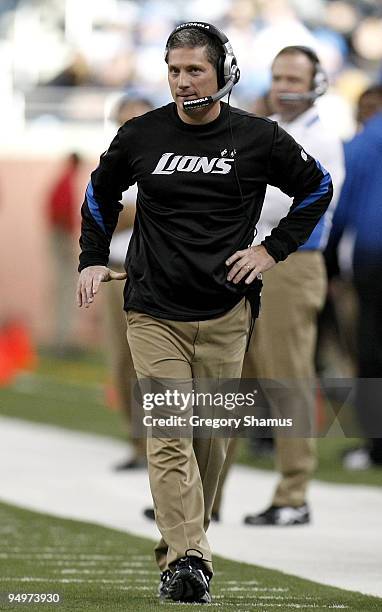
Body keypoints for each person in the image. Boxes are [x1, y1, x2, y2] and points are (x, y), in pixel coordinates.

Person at [76, 23, 333, 604]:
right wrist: (92, 258)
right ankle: (189, 558)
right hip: (152, 310)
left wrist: (271, 250)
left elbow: (318, 187)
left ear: (224, 73)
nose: (183, 81)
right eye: (174, 70)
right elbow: (99, 193)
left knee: (209, 441)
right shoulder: (141, 134)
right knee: (169, 433)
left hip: (225, 312)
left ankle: (182, 549)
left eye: (195, 70)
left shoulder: (259, 137)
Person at [212, 46, 345, 526]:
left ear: (316, 80)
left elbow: (307, 206)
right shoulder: (268, 129)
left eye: (294, 76)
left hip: (291, 262)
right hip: (249, 260)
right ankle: (207, 499)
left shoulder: (322, 138)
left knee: (287, 379)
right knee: (231, 379)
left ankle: (294, 495)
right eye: (278, 76)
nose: (285, 85)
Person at [327, 84, 382, 470]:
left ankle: (376, 446)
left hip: (374, 255)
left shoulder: (365, 142)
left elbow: (339, 209)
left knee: (372, 350)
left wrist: (328, 265)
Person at [103, 95, 154, 471]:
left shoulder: (168, 159)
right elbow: (101, 216)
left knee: (154, 362)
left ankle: (160, 443)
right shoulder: (113, 161)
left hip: (153, 267)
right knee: (122, 360)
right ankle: (138, 443)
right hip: (118, 267)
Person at [47, 152, 82, 352]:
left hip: (58, 236)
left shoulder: (62, 180)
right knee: (66, 287)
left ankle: (62, 338)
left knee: (63, 287)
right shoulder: (66, 182)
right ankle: (62, 340)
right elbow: (61, 213)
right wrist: (68, 239)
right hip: (61, 237)